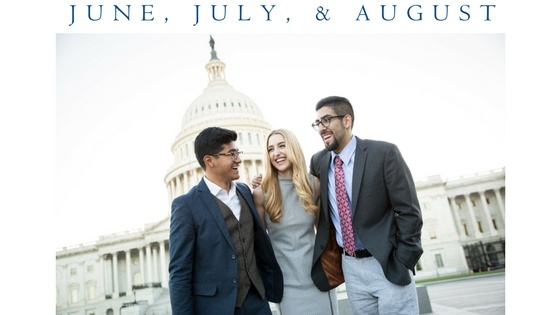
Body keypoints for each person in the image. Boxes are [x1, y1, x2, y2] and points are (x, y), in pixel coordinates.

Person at [309, 96, 423, 315]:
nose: (321, 128)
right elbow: (301, 192)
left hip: (387, 262)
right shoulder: (318, 162)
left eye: (326, 120)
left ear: (346, 120)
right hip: (350, 267)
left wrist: (403, 259)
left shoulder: (384, 153)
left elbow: (409, 211)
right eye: (317, 123)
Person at [168, 126, 283, 315]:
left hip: (258, 303)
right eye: (231, 154)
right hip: (216, 308)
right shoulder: (186, 206)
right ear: (209, 160)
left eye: (237, 152)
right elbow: (179, 272)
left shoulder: (245, 191)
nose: (238, 159)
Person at [252, 129, 339, 315]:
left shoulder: (313, 184)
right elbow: (259, 243)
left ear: (293, 148)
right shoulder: (261, 193)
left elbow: (324, 234)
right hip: (286, 284)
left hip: (318, 278)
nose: (277, 153)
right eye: (271, 149)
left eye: (282, 146)